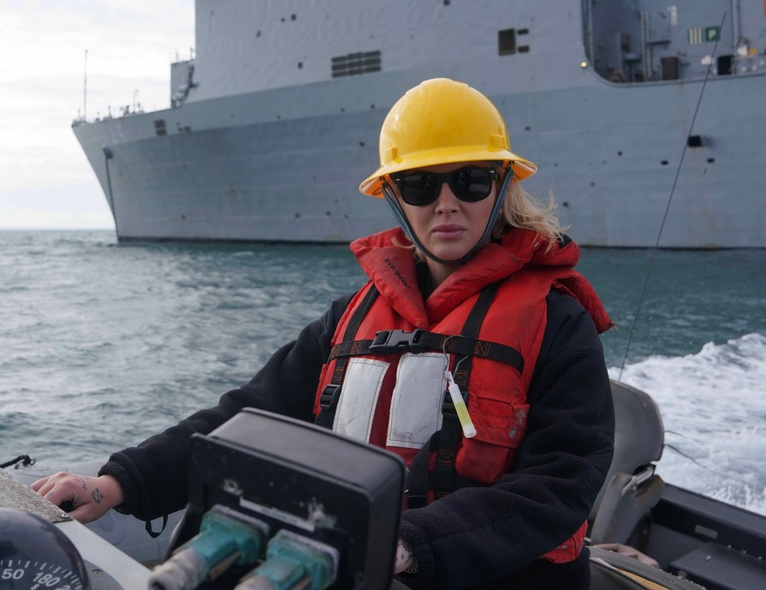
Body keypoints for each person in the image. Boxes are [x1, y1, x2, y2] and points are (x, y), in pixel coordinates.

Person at [32, 78, 616, 589]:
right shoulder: (349, 318)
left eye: (469, 181)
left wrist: (410, 543)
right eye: (419, 186)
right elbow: (247, 418)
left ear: (499, 187)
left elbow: (563, 483)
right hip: (359, 563)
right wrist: (117, 483)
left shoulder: (557, 322)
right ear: (393, 196)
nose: (446, 205)